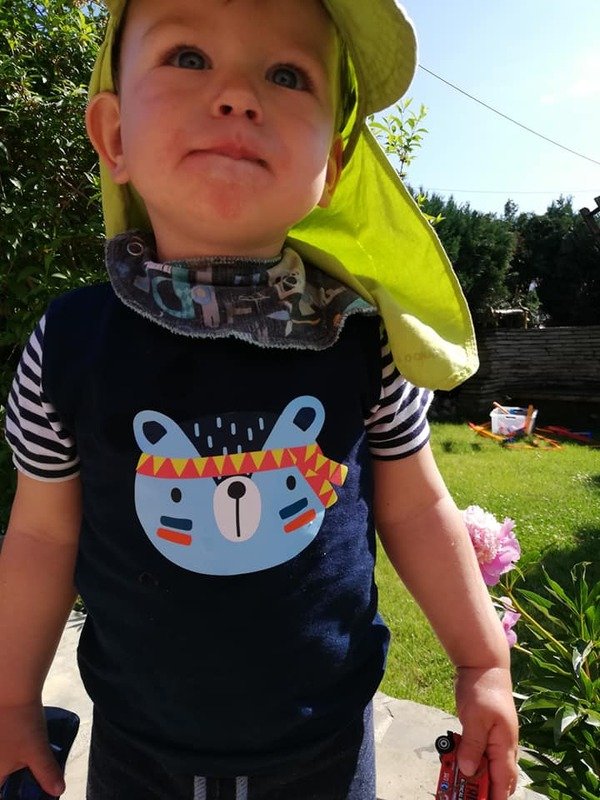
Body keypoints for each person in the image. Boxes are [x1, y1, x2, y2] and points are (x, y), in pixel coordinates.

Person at [0, 0, 519, 798]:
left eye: (286, 74)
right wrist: (10, 703)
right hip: (139, 755)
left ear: (331, 167)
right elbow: (40, 537)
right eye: (188, 57)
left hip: (326, 754)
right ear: (114, 135)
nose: (239, 95)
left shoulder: (360, 339)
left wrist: (482, 662)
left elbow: (418, 509)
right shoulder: (69, 346)